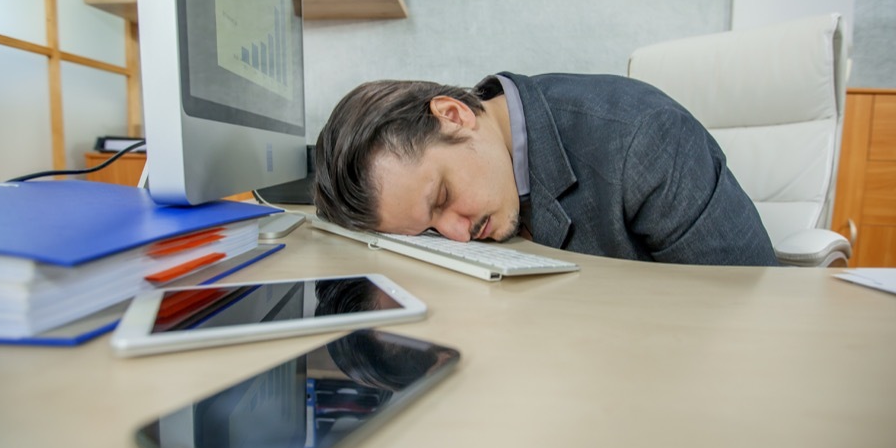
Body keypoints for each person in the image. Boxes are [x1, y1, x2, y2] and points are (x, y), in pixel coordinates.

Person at [312, 72, 778, 266]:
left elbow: (751, 302)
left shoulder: (645, 142)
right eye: (428, 229)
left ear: (454, 115)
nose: (457, 234)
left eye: (442, 200)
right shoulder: (492, 147)